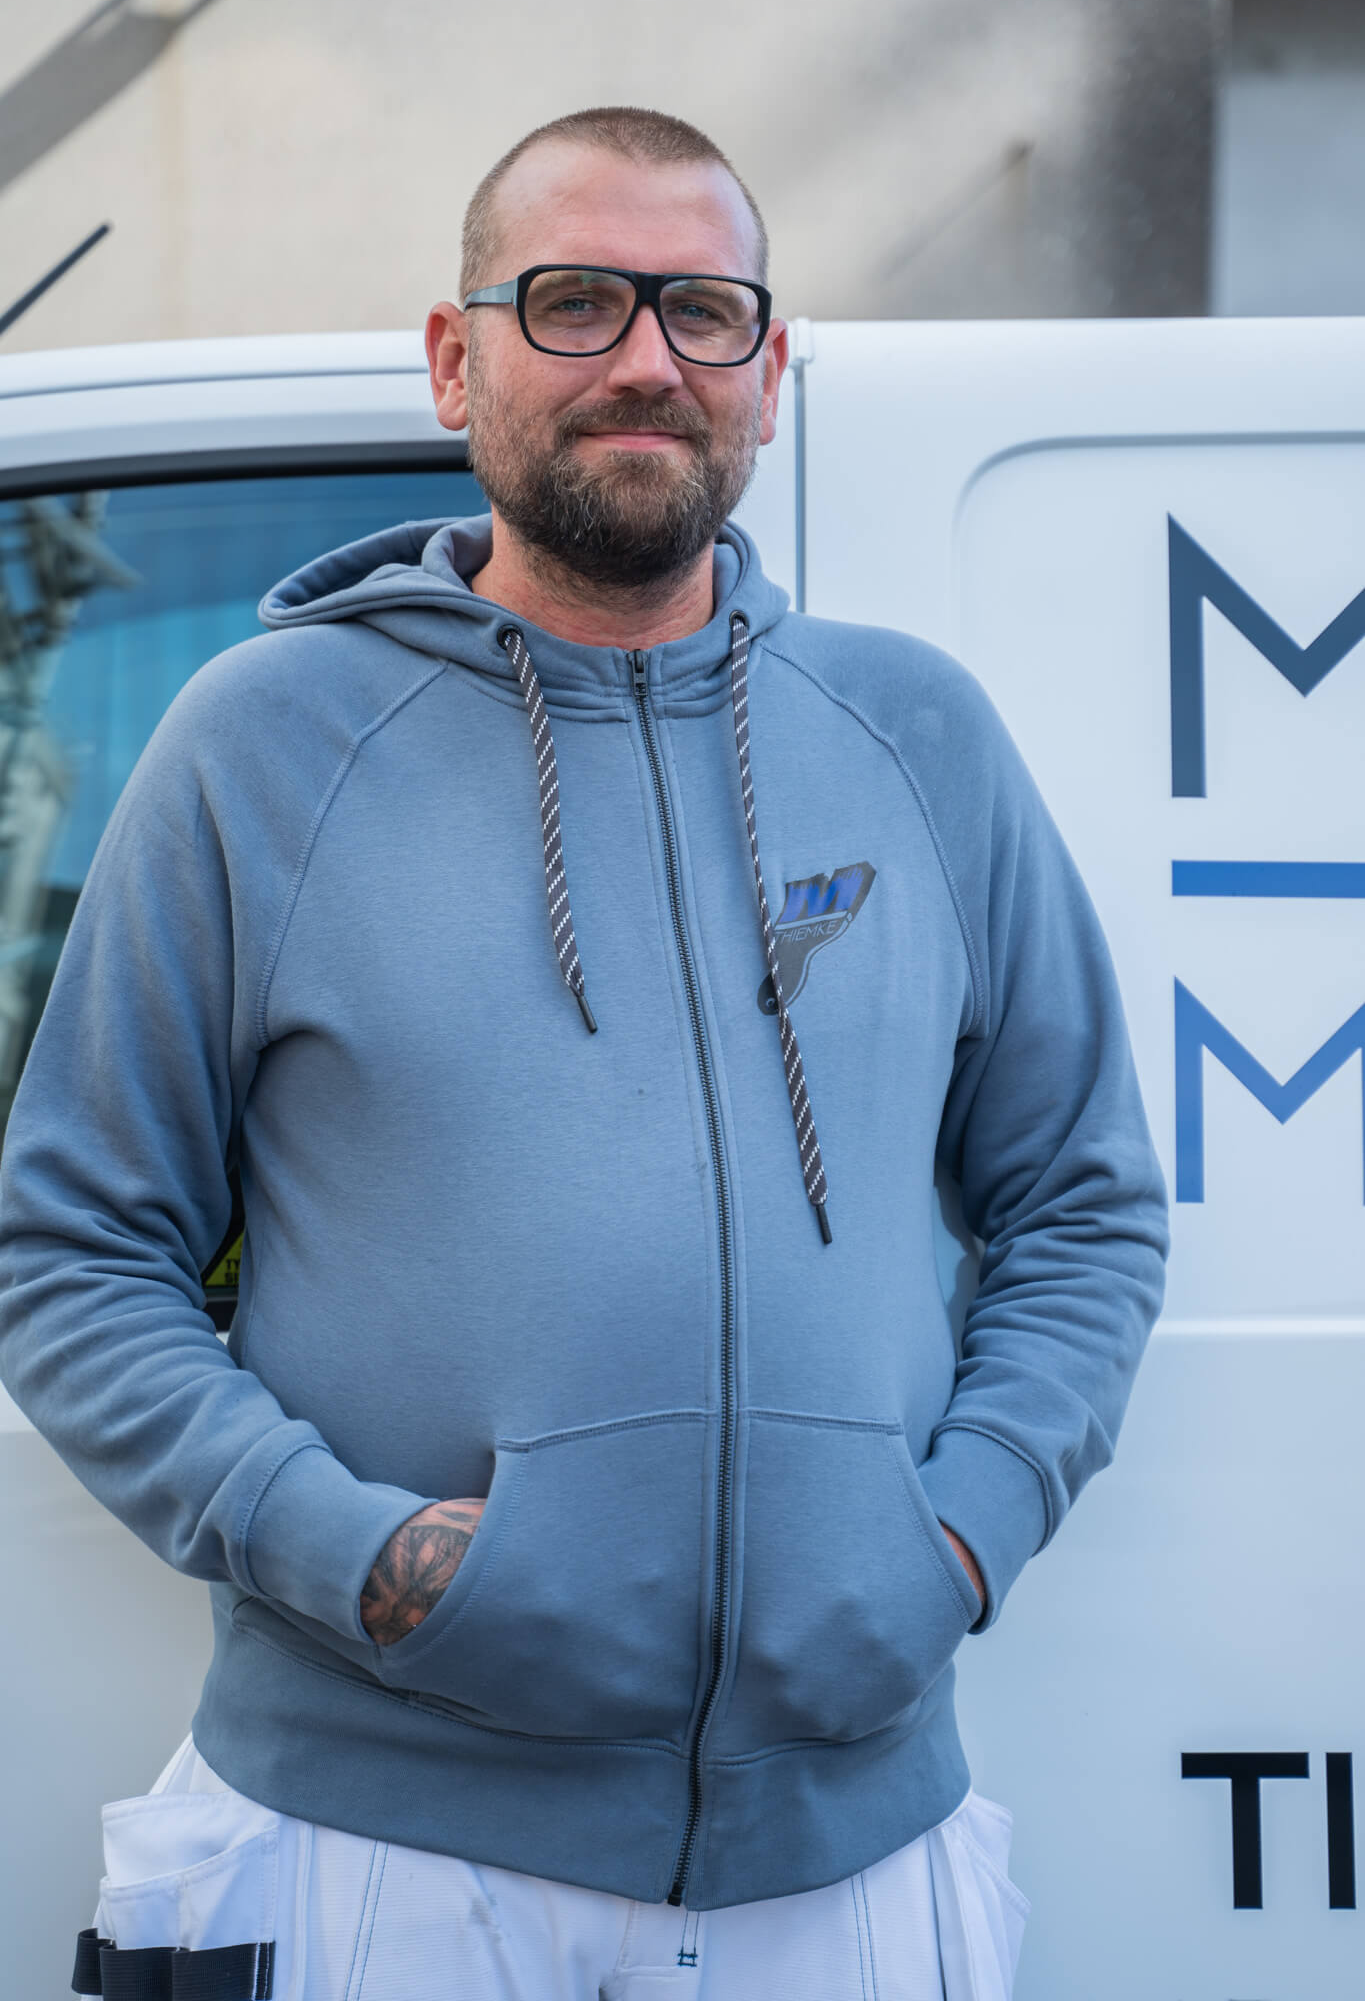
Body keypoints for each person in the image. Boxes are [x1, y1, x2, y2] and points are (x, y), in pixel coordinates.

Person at [0, 107, 1167, 2000]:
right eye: (574, 300)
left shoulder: (917, 736)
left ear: (766, 372)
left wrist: (955, 1537)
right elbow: (73, 1246)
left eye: (703, 310)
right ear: (454, 359)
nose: (645, 359)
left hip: (854, 1860)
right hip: (380, 1848)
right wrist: (361, 1559)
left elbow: (1082, 1204)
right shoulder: (262, 742)